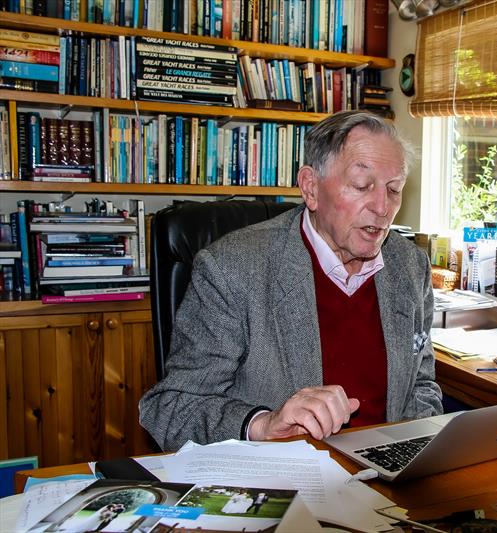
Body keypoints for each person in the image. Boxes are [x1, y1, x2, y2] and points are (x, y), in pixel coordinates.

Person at [139, 110, 443, 451]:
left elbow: (421, 384)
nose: (382, 207)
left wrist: (415, 452)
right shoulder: (233, 268)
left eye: (394, 190)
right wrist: (262, 424)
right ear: (311, 188)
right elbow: (171, 408)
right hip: (283, 480)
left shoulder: (410, 266)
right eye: (361, 186)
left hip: (384, 479)